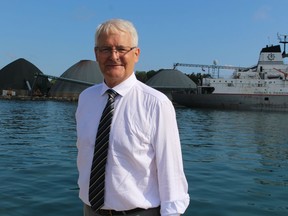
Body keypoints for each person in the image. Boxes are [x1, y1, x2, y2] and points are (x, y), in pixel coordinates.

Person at [76, 18, 190, 216]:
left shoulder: (156, 104)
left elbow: (170, 172)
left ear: (136, 54)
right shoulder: (86, 99)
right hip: (90, 211)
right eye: (105, 49)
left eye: (121, 49)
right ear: (96, 54)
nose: (114, 56)